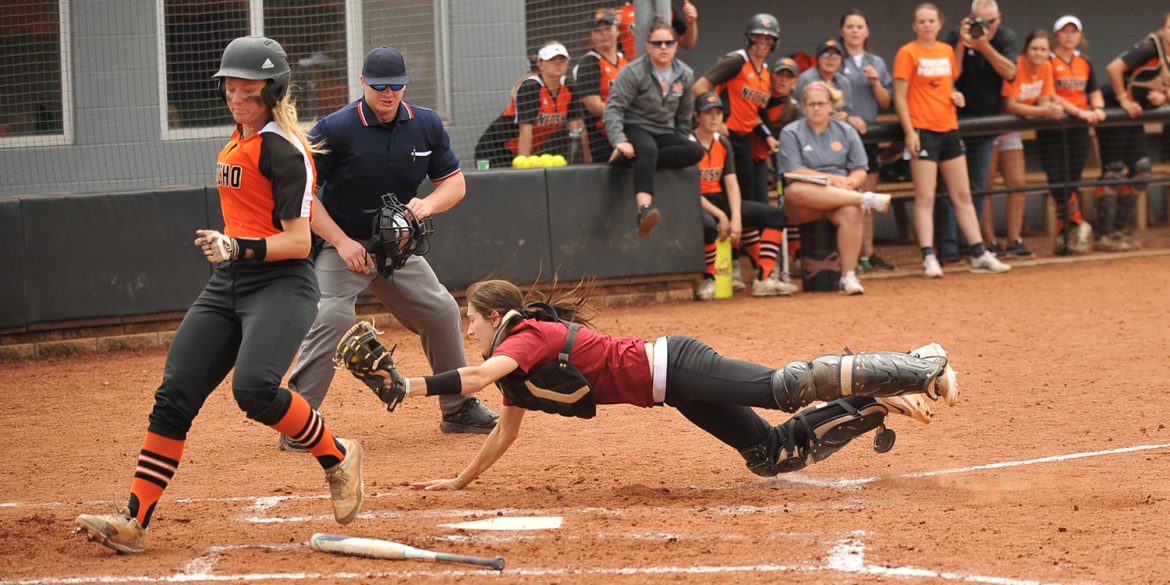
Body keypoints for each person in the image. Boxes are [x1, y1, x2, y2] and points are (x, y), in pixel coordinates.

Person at [74, 36, 364, 554]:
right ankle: (135, 520)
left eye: (247, 89)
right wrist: (235, 253)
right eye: (230, 86)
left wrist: (238, 247)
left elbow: (299, 242)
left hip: (282, 285)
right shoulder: (236, 139)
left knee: (253, 390)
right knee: (174, 396)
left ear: (272, 91)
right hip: (228, 285)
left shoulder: (285, 149)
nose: (235, 96)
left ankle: (337, 456)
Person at [383, 279, 957, 490]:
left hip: (675, 364)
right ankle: (873, 401)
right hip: (674, 389)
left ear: (496, 315)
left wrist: (408, 385)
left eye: (470, 317)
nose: (468, 326)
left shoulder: (527, 333)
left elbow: (478, 376)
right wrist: (460, 482)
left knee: (784, 387)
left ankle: (916, 362)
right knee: (770, 454)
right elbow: (503, 433)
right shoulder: (520, 371)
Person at [285, 45, 498, 446]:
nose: (388, 93)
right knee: (331, 313)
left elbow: (455, 183)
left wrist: (427, 205)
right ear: (363, 82)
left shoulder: (426, 124)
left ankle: (459, 408)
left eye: (396, 86)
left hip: (395, 245)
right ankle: (298, 419)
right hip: (341, 241)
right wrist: (342, 242)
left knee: (440, 309)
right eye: (379, 85)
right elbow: (304, 197)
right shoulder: (334, 128)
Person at [893, 3, 1011, 279]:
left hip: (949, 128)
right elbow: (900, 95)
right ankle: (928, 256)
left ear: (939, 23)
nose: (926, 25)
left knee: (963, 195)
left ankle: (979, 252)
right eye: (921, 21)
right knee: (925, 198)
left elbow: (950, 80)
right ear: (914, 25)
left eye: (931, 21)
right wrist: (909, 131)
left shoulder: (946, 50)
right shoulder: (907, 52)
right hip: (922, 129)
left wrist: (955, 95)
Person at [777, 82, 892, 295]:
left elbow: (860, 169)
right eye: (811, 104)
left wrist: (851, 183)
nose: (816, 108)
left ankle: (848, 276)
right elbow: (794, 172)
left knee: (851, 210)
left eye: (821, 103)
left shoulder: (846, 130)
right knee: (794, 191)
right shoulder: (790, 132)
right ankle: (863, 199)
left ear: (831, 105)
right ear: (803, 107)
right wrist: (831, 179)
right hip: (804, 201)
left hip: (840, 197)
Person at [604, 20, 705, 237]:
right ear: (647, 46)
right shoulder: (633, 72)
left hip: (664, 132)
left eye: (668, 43)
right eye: (657, 43)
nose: (663, 48)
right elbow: (613, 108)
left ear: (676, 46)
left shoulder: (685, 74)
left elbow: (684, 116)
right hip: (636, 127)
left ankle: (633, 161)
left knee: (695, 151)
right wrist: (619, 139)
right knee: (648, 149)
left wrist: (681, 140)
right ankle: (644, 211)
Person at [692, 92, 796, 299]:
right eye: (708, 113)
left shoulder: (723, 143)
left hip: (719, 199)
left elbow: (731, 184)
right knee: (709, 225)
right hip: (697, 203)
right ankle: (709, 280)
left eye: (718, 113)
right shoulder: (689, 144)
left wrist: (736, 217)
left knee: (775, 215)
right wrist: (722, 216)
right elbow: (691, 191)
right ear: (697, 116)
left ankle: (764, 278)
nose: (714, 118)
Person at [937, 0, 1017, 263]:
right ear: (971, 19)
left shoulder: (1005, 36)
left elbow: (1010, 72)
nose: (986, 27)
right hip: (954, 122)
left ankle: (969, 245)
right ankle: (948, 249)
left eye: (991, 22)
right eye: (980, 22)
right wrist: (964, 41)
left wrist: (984, 46)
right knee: (949, 188)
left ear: (1000, 19)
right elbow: (953, 74)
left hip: (986, 122)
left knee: (977, 186)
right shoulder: (954, 36)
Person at [1096, 12, 1170, 251]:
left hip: (1135, 115)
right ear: (1162, 29)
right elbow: (1113, 68)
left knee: (1141, 172)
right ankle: (1103, 234)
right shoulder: (1151, 48)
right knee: (1114, 172)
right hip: (1116, 107)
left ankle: (1120, 229)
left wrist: (1165, 96)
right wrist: (1123, 99)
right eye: (1169, 27)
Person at [693, 13, 781, 207]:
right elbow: (700, 87)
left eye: (768, 38)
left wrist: (767, 135)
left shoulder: (765, 72)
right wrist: (717, 121)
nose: (762, 42)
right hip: (727, 135)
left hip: (745, 138)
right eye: (758, 36)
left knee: (747, 193)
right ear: (749, 38)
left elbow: (754, 113)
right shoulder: (736, 61)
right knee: (732, 193)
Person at [837, 10, 896, 274]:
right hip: (840, 137)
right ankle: (846, 257)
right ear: (842, 31)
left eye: (859, 26)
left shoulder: (877, 62)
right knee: (845, 198)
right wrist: (848, 117)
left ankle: (867, 255)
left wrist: (875, 82)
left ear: (867, 31)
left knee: (867, 199)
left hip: (869, 138)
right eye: (850, 26)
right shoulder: (834, 60)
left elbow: (885, 102)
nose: (854, 31)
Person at [1044, 15, 1104, 256]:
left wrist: (1098, 108)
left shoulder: (1084, 62)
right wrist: (1079, 112)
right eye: (1064, 31)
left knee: (1073, 179)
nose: (1069, 35)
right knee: (1057, 181)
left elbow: (1095, 91)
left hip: (1079, 129)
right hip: (1053, 129)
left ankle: (1065, 231)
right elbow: (1052, 95)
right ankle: (1078, 223)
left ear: (1080, 35)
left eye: (1074, 31)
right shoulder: (1047, 61)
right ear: (1056, 35)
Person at [1000, 29, 1063, 258]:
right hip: (990, 130)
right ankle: (988, 241)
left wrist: (1046, 108)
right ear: (1025, 51)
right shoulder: (1015, 66)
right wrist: (1042, 111)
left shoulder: (1046, 67)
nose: (1038, 53)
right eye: (1034, 48)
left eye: (1043, 49)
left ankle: (1014, 240)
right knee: (985, 188)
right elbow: (1011, 104)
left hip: (1012, 132)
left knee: (1017, 184)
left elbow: (1045, 98)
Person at [476, 42, 587, 168]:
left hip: (527, 151)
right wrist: (524, 166)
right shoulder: (531, 87)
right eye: (551, 59)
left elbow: (577, 127)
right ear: (540, 64)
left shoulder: (569, 86)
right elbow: (525, 130)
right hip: (496, 149)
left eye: (562, 59)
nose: (558, 63)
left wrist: (587, 162)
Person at [573, 10, 629, 164]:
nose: (604, 34)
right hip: (601, 136)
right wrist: (630, 111)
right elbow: (594, 106)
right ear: (591, 35)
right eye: (597, 31)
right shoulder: (590, 63)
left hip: (628, 129)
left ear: (617, 31)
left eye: (608, 28)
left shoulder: (627, 62)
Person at [616, 0, 698, 59]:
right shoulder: (621, 10)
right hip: (632, 72)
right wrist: (615, 27)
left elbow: (687, 43)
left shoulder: (666, 7)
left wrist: (692, 22)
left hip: (661, 69)